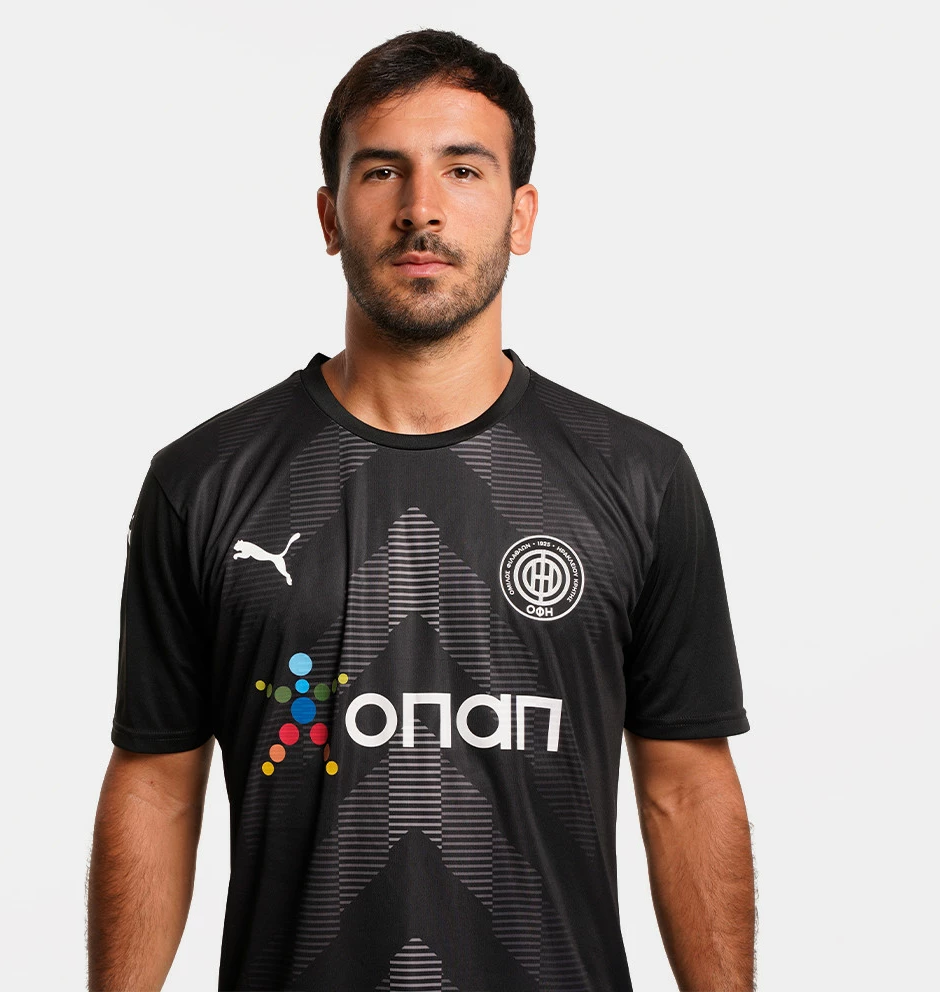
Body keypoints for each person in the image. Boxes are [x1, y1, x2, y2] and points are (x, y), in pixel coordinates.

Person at [87, 28, 755, 992]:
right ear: (330, 215)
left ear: (522, 214)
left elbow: (686, 788)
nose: (422, 208)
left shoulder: (639, 478)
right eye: (382, 171)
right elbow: (156, 785)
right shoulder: (203, 481)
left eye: (464, 170)